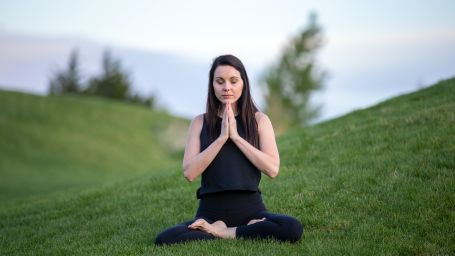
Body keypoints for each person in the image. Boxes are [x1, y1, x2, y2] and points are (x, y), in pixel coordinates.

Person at [155, 54, 303, 245]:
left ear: (243, 83)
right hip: (210, 213)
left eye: (233, 81)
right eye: (220, 81)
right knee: (165, 238)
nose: (227, 87)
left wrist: (236, 137)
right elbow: (189, 173)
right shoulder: (199, 122)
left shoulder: (259, 121)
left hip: (252, 211)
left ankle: (224, 232)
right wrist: (222, 138)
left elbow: (272, 169)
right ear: (212, 85)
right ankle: (233, 229)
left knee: (292, 228)